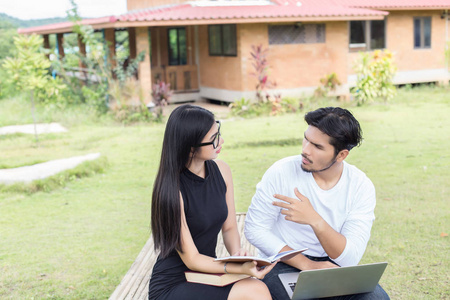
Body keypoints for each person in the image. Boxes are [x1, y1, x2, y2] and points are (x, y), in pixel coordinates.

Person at [244, 107, 390, 300]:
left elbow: (349, 258)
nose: (305, 150)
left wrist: (316, 221)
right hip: (281, 262)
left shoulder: (361, 186)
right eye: (306, 139)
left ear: (341, 155)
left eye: (317, 147)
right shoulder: (281, 172)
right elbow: (255, 229)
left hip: (333, 265)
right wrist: (306, 264)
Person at [148, 104, 276, 300]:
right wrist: (235, 268)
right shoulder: (172, 191)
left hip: (206, 272)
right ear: (190, 147)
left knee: (256, 287)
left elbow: (230, 227)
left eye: (218, 133)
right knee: (254, 291)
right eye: (213, 139)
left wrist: (238, 255)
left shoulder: (222, 171)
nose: (221, 141)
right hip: (174, 282)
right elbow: (192, 259)